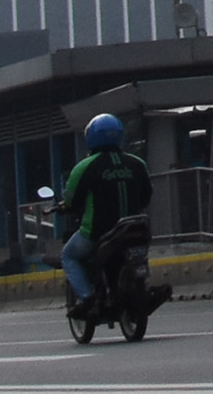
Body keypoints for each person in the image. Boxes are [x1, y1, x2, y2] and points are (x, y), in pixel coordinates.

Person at [53, 114, 147, 315]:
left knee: (68, 256)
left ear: (91, 136)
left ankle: (87, 298)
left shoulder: (84, 167)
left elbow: (72, 200)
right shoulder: (137, 163)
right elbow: (147, 194)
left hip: (97, 232)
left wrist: (64, 207)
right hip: (135, 226)